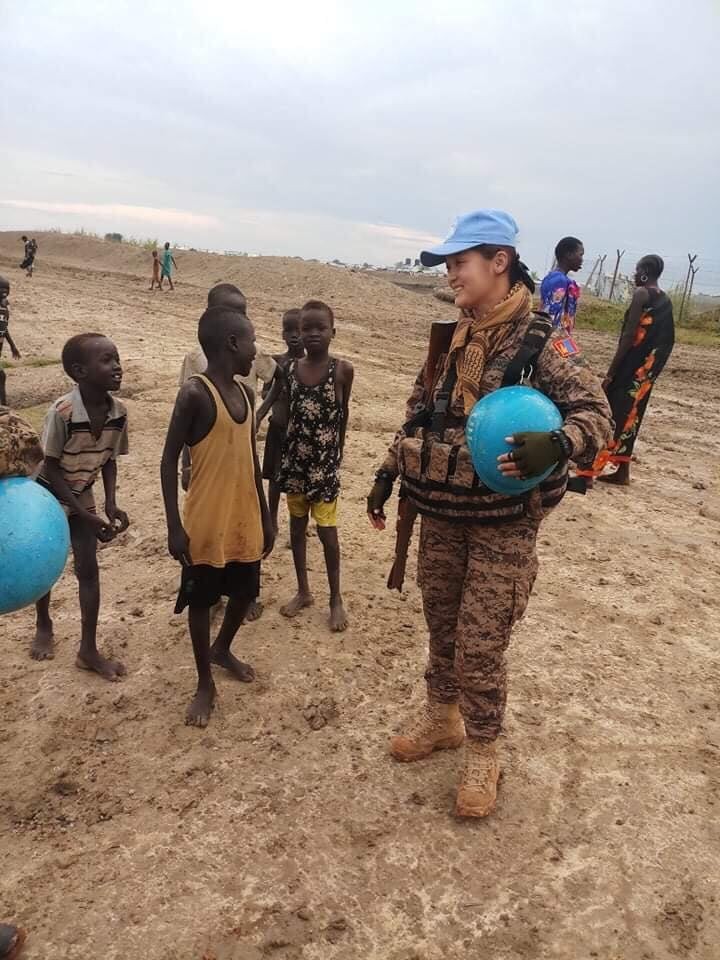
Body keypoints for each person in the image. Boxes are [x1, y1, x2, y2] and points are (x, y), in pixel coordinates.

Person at [367, 210, 612, 818]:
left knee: (481, 641)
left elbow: (597, 415)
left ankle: (483, 749)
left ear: (499, 261)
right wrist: (389, 470)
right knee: (442, 624)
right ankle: (442, 718)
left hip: (504, 522)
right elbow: (420, 413)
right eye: (448, 265)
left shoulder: (541, 342)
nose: (451, 275)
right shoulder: (451, 339)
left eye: (460, 263)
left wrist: (556, 444)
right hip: (442, 510)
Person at [161, 306, 274, 727]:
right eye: (251, 341)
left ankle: (222, 648)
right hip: (206, 520)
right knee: (201, 600)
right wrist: (174, 526)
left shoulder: (246, 395)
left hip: (244, 514)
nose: (255, 350)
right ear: (232, 343)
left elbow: (251, 457)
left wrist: (266, 515)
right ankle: (204, 682)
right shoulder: (195, 393)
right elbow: (168, 460)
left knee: (244, 592)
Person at [32, 334, 130, 679]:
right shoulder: (62, 412)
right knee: (46, 563)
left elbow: (110, 459)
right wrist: (83, 513)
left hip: (82, 491)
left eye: (117, 358)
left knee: (88, 569)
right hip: (47, 494)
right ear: (79, 371)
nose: (117, 366)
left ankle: (88, 650)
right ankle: (43, 622)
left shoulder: (119, 413)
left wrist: (111, 503)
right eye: (106, 360)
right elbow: (51, 466)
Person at [179, 283, 276, 621]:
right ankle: (211, 596)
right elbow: (185, 422)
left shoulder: (253, 353)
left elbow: (276, 377)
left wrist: (260, 413)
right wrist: (186, 463)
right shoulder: (195, 360)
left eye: (243, 313)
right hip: (210, 455)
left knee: (243, 526)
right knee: (213, 525)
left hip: (240, 447)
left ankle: (244, 595)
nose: (241, 318)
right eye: (234, 313)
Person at [277, 300, 354, 632]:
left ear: (332, 332)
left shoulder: (342, 370)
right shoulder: (291, 370)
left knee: (327, 534)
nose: (312, 334)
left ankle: (335, 598)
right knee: (296, 528)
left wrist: (339, 451)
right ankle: (303, 591)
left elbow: (343, 414)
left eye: (320, 328)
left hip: (324, 467)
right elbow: (286, 416)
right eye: (306, 328)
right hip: (296, 464)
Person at [591, 255, 674, 486]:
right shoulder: (665, 300)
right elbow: (667, 339)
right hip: (646, 371)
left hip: (630, 367)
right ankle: (622, 472)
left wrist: (611, 373)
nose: (635, 275)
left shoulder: (641, 294)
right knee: (632, 415)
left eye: (637, 271)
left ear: (645, 271)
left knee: (613, 413)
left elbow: (629, 336)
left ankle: (590, 472)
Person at [255, 308, 305, 537]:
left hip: (301, 432)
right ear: (282, 334)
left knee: (299, 480)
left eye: (298, 330)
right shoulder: (277, 362)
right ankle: (272, 519)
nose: (294, 335)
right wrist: (277, 395)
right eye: (289, 330)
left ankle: (298, 524)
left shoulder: (310, 365)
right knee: (275, 478)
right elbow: (266, 391)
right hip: (278, 427)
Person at [540, 237, 584, 333]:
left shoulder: (552, 277)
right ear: (569, 255)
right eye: (580, 255)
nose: (582, 260)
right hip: (554, 335)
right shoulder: (560, 280)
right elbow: (552, 314)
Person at [0, 278, 22, 406]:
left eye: (6, 289)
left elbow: (4, 327)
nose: (4, 292)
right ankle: (4, 406)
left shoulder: (4, 308)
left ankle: (3, 406)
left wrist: (12, 346)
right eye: (1, 289)